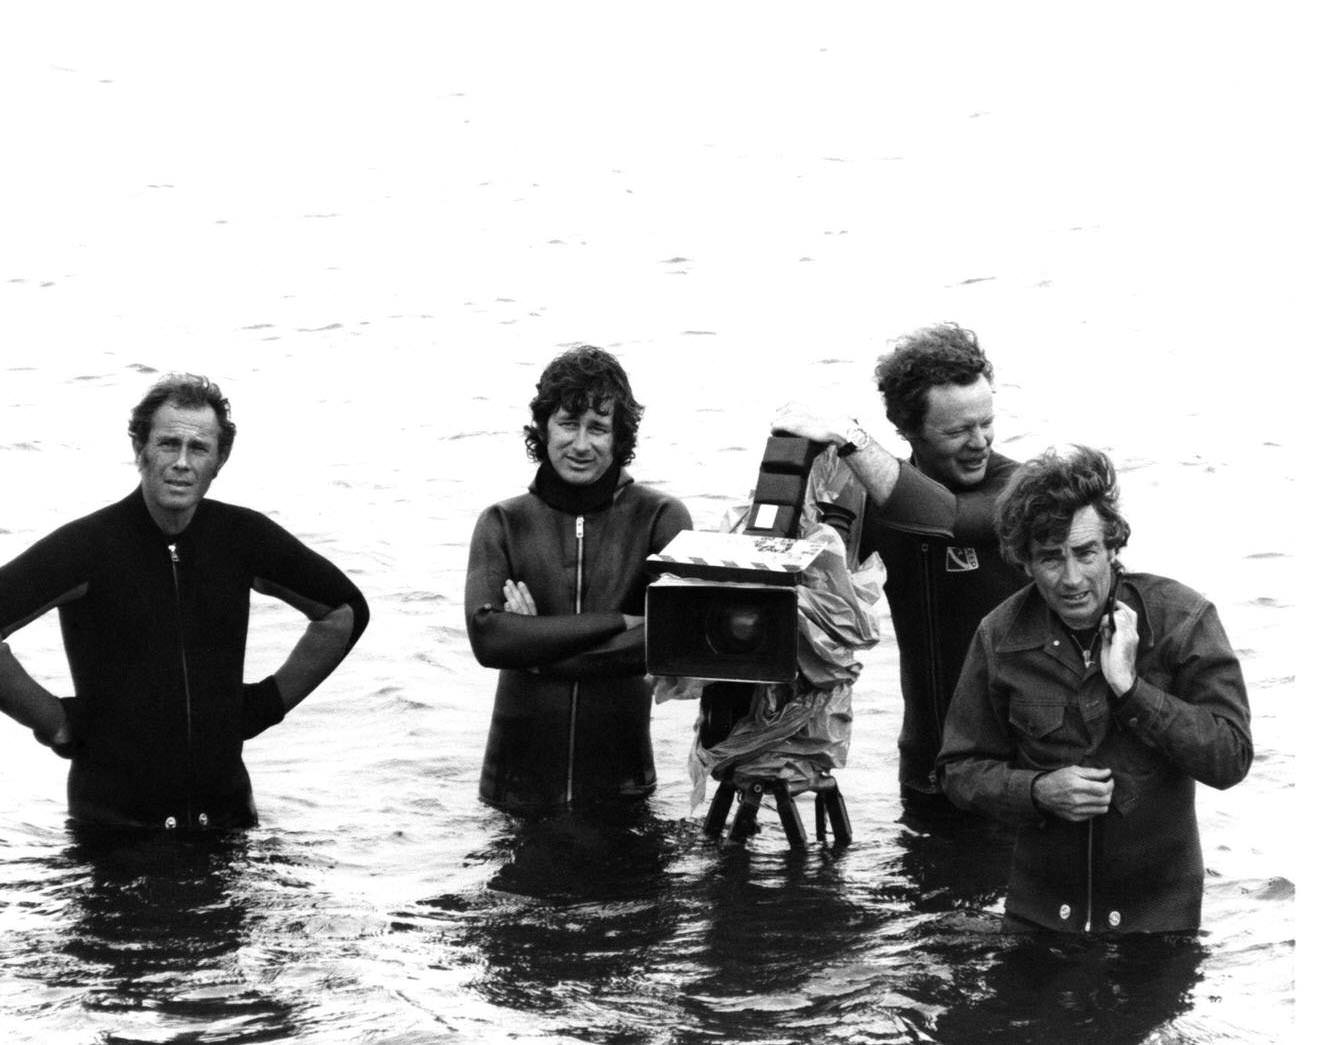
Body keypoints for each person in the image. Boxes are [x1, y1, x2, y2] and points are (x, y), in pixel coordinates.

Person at [0, 374, 369, 830]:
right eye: (167, 443)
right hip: (115, 830)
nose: (181, 462)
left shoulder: (242, 538)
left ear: (220, 459)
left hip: (227, 820)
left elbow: (343, 611)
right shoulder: (89, 546)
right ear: (140, 450)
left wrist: (263, 706)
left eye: (198, 448)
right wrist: (53, 721)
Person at [937, 446, 1252, 932]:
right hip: (1039, 918)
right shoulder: (1000, 635)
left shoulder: (1182, 620)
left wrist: (1132, 690)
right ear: (1025, 563)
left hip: (1157, 924)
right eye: (1050, 558)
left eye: (1085, 553)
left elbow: (1230, 759)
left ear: (1112, 547)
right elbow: (958, 771)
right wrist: (1038, 791)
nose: (1071, 578)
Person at [773, 323, 1025, 811]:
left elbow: (945, 518)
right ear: (909, 430)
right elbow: (811, 593)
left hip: (1015, 769)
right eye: (957, 430)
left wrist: (848, 436)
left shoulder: (1018, 489)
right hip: (925, 764)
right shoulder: (875, 501)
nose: (980, 442)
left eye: (986, 422)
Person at [466, 346, 692, 814]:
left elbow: (670, 641)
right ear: (544, 428)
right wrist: (618, 622)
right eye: (569, 424)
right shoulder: (503, 522)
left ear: (619, 436)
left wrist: (535, 649)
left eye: (598, 428)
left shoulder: (661, 520)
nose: (582, 444)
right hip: (513, 791)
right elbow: (490, 641)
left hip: (622, 787)